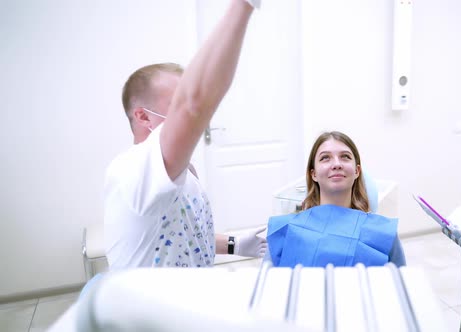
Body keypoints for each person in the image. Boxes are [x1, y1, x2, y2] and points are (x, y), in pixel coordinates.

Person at [103, 0, 266, 270]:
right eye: (175, 102)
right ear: (143, 116)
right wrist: (243, 5)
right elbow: (194, 105)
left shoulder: (181, 172)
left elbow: (184, 234)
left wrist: (237, 244)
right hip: (145, 310)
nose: (182, 112)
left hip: (191, 294)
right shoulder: (132, 168)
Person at [266, 131, 406, 267]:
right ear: (313, 174)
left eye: (345, 157)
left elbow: (400, 284)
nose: (337, 164)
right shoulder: (285, 229)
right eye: (325, 158)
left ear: (357, 171)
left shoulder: (384, 234)